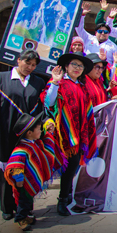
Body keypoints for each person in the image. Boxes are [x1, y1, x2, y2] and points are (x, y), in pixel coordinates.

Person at [0, 50, 47, 220]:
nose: (30, 67)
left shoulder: (38, 82)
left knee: (27, 170)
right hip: (5, 131)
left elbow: (44, 105)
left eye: (33, 65)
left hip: (28, 135)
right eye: (27, 63)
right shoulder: (0, 79)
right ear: (18, 60)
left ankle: (24, 207)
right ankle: (7, 207)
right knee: (6, 170)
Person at [41, 53, 97, 216]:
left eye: (80, 66)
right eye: (74, 64)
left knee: (72, 168)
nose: (77, 68)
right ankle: (62, 200)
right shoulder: (59, 84)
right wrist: (56, 82)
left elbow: (87, 111)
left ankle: (67, 198)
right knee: (67, 168)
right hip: (62, 134)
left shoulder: (82, 87)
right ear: (66, 66)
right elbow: (48, 102)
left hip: (79, 134)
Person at [4, 113, 64, 230]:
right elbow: (16, 166)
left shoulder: (35, 144)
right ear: (29, 133)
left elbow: (45, 150)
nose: (41, 131)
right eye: (38, 129)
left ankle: (26, 216)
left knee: (27, 202)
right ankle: (21, 219)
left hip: (29, 183)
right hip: (24, 184)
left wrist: (49, 134)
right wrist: (19, 180)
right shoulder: (21, 149)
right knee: (23, 203)